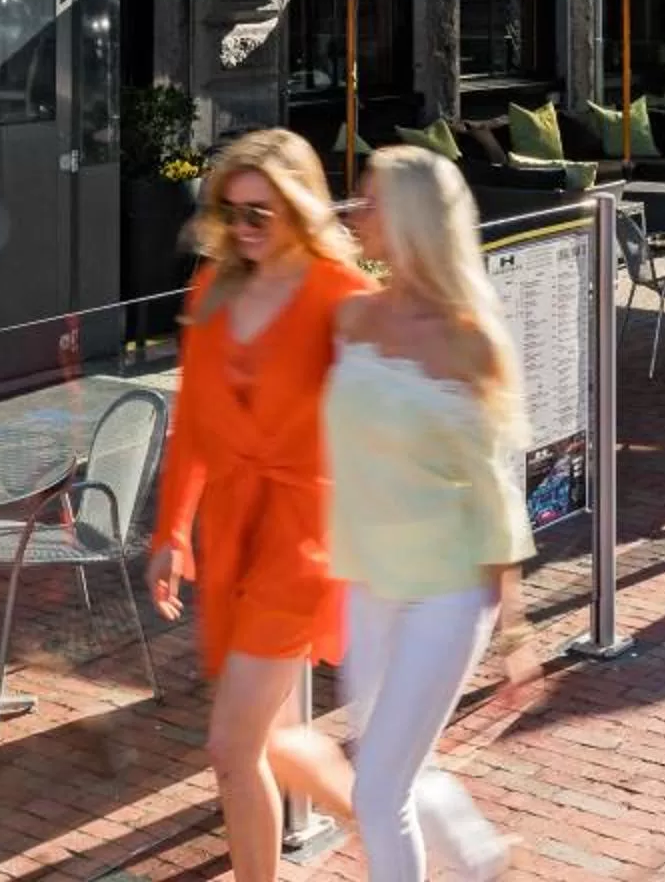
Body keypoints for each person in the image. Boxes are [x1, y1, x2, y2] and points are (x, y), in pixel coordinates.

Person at [299, 144, 539, 880]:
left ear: (407, 219)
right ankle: (476, 857)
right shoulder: (352, 319)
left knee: (378, 789)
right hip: (367, 580)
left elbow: (496, 488)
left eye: (370, 200)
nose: (357, 211)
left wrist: (514, 624)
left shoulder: (471, 340)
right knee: (386, 757)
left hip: (447, 586)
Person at [147, 128, 377, 882]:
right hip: (233, 536)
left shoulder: (340, 294)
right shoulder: (212, 288)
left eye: (262, 214)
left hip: (304, 538)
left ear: (301, 210)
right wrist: (172, 531)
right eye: (233, 211)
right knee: (274, 743)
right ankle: (425, 829)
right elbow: (194, 429)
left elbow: (399, 406)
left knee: (230, 749)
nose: (244, 229)